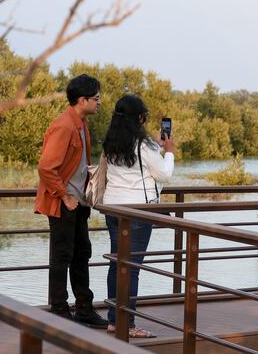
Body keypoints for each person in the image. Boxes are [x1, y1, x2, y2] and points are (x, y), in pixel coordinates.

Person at [34, 74, 108, 328]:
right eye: (96, 98)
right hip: (64, 202)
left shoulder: (81, 123)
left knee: (81, 253)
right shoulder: (64, 126)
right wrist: (64, 196)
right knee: (62, 255)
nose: (99, 102)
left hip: (79, 203)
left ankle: (84, 308)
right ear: (82, 99)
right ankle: (59, 309)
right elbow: (46, 167)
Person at [102, 94, 175, 338]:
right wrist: (169, 152)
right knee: (131, 268)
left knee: (117, 264)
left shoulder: (110, 141)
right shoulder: (144, 145)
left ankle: (114, 320)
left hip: (113, 209)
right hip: (137, 211)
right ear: (139, 117)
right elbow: (164, 174)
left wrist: (156, 147)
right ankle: (129, 324)